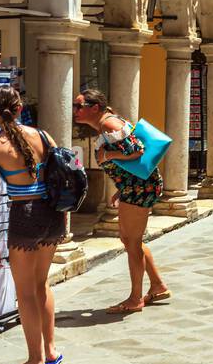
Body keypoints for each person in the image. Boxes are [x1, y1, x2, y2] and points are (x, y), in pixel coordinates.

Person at [0, 86, 64, 364]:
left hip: (24, 216)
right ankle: (51, 351)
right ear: (19, 108)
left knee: (25, 292)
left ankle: (35, 361)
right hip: (53, 214)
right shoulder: (43, 136)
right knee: (42, 284)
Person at [73, 90, 170, 314]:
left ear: (95, 107)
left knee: (132, 241)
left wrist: (110, 156)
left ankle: (136, 299)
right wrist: (121, 187)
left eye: (79, 106)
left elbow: (137, 151)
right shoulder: (106, 124)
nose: (76, 111)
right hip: (135, 186)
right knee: (129, 239)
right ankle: (157, 286)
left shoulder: (109, 125)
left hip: (140, 187)